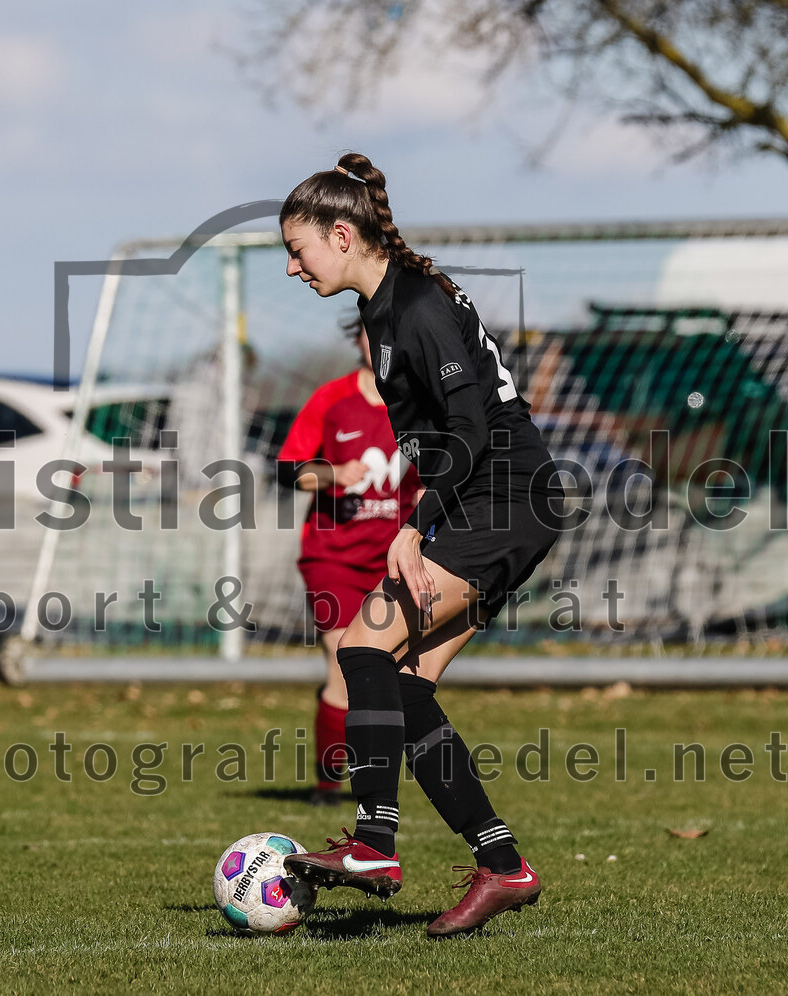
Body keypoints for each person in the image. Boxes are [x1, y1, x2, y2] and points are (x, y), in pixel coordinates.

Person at [278, 153, 563, 939]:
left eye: (298, 250)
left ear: (341, 234)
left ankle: (374, 841)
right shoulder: (382, 309)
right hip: (493, 505)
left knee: (363, 650)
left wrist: (415, 524)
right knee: (404, 684)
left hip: (505, 500)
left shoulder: (416, 305)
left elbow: (473, 428)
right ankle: (504, 866)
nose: (293, 268)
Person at [277, 317, 422, 807]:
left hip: (395, 561)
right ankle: (326, 782)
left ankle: (380, 784)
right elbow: (288, 472)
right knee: (343, 661)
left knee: (394, 672)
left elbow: (438, 476)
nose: (379, 339)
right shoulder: (332, 400)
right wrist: (336, 471)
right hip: (332, 556)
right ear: (356, 339)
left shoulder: (419, 404)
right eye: (368, 331)